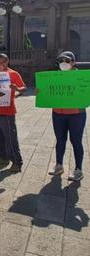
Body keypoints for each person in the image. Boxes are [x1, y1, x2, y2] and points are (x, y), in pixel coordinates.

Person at [47, 51, 86, 181]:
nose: (64, 63)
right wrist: (40, 92)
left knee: (76, 141)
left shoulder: (81, 77)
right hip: (58, 113)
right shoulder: (55, 76)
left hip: (76, 114)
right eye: (61, 61)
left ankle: (78, 169)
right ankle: (59, 165)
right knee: (60, 140)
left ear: (73, 62)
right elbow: (47, 91)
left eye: (67, 61)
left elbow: (86, 93)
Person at [0, 53, 26, 173]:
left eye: (4, 62)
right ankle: (3, 157)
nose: (1, 64)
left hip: (7, 111)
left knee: (10, 138)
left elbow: (24, 88)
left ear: (8, 61)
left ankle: (17, 162)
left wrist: (16, 88)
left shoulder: (13, 74)